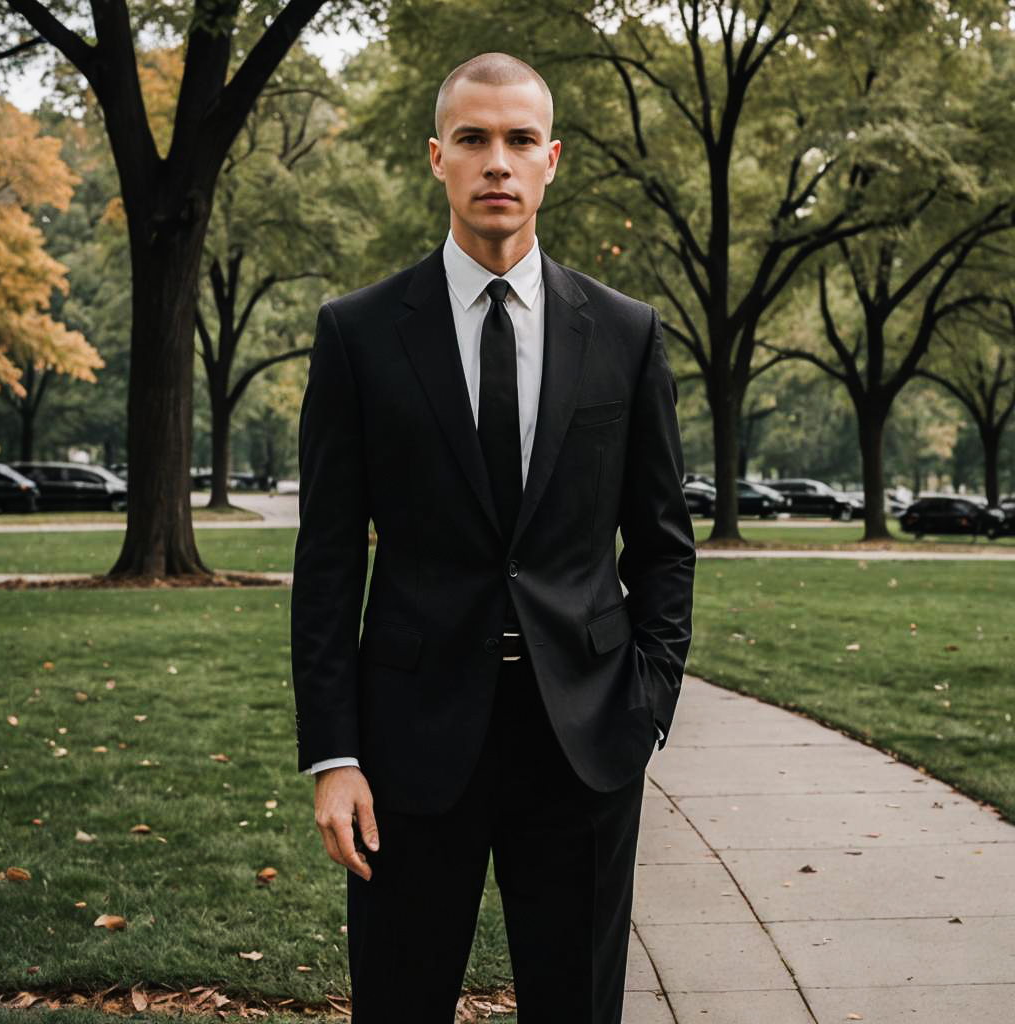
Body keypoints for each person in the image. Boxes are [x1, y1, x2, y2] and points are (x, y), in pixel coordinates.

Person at [291, 51, 696, 1024]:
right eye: (473, 139)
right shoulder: (358, 333)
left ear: (551, 159)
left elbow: (661, 542)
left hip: (585, 738)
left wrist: (645, 701)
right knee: (399, 1002)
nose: (497, 162)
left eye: (519, 139)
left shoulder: (626, 333)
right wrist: (333, 754)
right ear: (438, 157)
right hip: (409, 740)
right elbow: (329, 560)